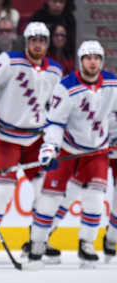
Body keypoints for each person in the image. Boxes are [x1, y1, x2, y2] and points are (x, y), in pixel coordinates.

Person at [0, 22, 63, 264]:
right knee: (2, 191)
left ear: (47, 43)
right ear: (26, 42)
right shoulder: (9, 61)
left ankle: (37, 239)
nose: (38, 44)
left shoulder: (56, 72)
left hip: (36, 138)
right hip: (7, 135)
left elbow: (57, 112)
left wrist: (52, 143)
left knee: (46, 191)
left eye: (42, 40)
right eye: (34, 40)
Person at [28, 40, 117, 268]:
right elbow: (55, 123)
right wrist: (50, 148)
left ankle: (86, 243)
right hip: (69, 149)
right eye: (88, 57)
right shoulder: (66, 87)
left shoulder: (112, 84)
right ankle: (37, 242)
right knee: (50, 199)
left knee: (96, 200)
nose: (92, 61)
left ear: (101, 60)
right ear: (81, 61)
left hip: (97, 151)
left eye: (96, 57)